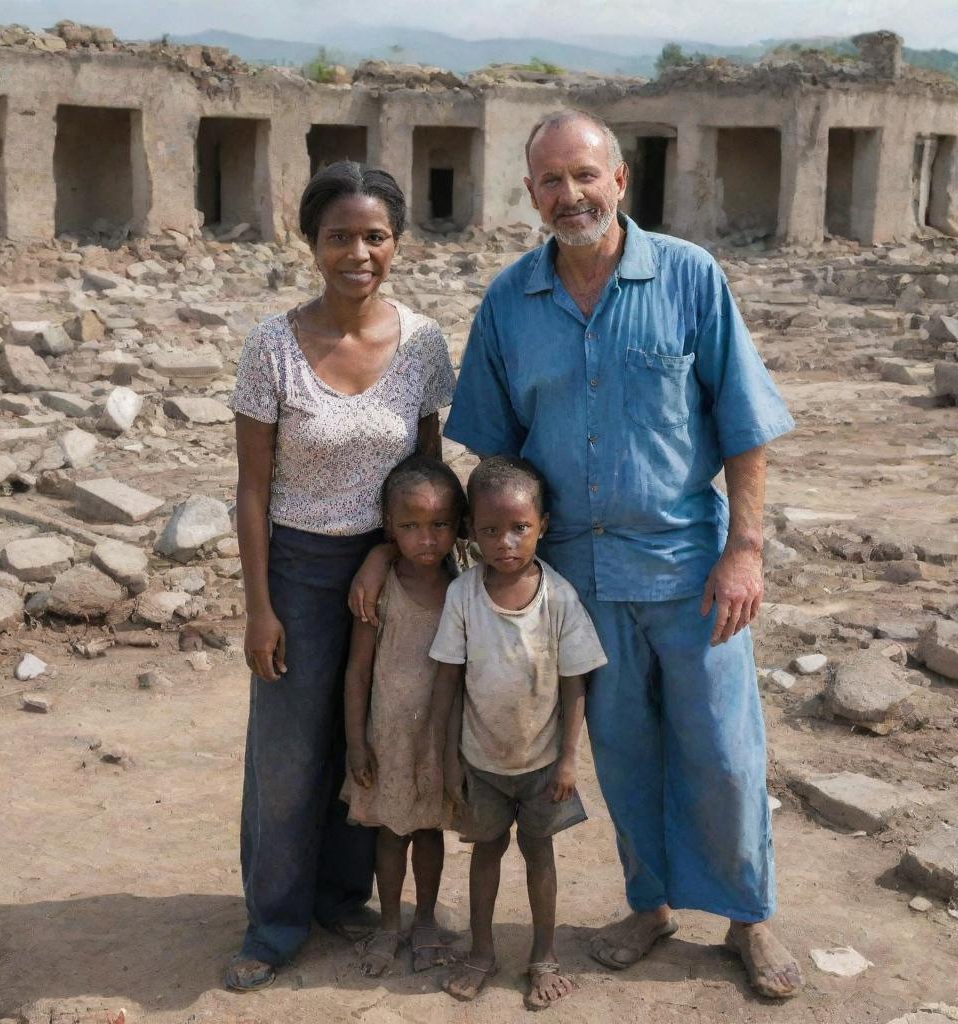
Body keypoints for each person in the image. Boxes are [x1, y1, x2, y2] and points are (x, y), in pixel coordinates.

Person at [350, 110, 803, 1000]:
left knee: (723, 748)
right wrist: (418, 561)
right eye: (551, 181)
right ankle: (651, 904)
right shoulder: (513, 303)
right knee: (624, 750)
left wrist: (745, 549)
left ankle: (751, 918)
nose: (571, 195)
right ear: (530, 195)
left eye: (585, 176)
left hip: (687, 565)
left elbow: (746, 427)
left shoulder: (689, 278)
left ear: (620, 181)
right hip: (577, 584)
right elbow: (489, 459)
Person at [226, 161, 456, 991]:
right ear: (311, 243)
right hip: (295, 565)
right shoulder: (272, 346)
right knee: (289, 753)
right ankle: (273, 923)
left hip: (398, 568)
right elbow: (252, 489)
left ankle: (342, 895)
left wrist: (390, 554)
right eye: (340, 236)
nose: (358, 252)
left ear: (397, 242)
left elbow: (426, 476)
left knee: (380, 734)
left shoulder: (425, 342)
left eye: (375, 236)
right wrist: (259, 607)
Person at [427, 455, 608, 1011]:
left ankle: (544, 956)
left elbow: (576, 682)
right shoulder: (463, 596)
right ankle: (481, 951)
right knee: (485, 853)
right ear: (470, 532)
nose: (504, 542)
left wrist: (569, 760)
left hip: (543, 763)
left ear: (543, 525)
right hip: (480, 760)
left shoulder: (558, 597)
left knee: (539, 854)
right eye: (488, 530)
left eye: (519, 528)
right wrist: (448, 758)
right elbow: (448, 683)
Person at [341, 455, 466, 977]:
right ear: (389, 527)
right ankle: (389, 924)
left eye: (439, 525)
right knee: (390, 834)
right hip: (387, 737)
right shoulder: (380, 590)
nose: (427, 539)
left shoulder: (465, 588)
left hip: (438, 740)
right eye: (411, 526)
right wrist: (355, 742)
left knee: (430, 833)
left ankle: (427, 922)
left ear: (457, 528)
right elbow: (357, 673)